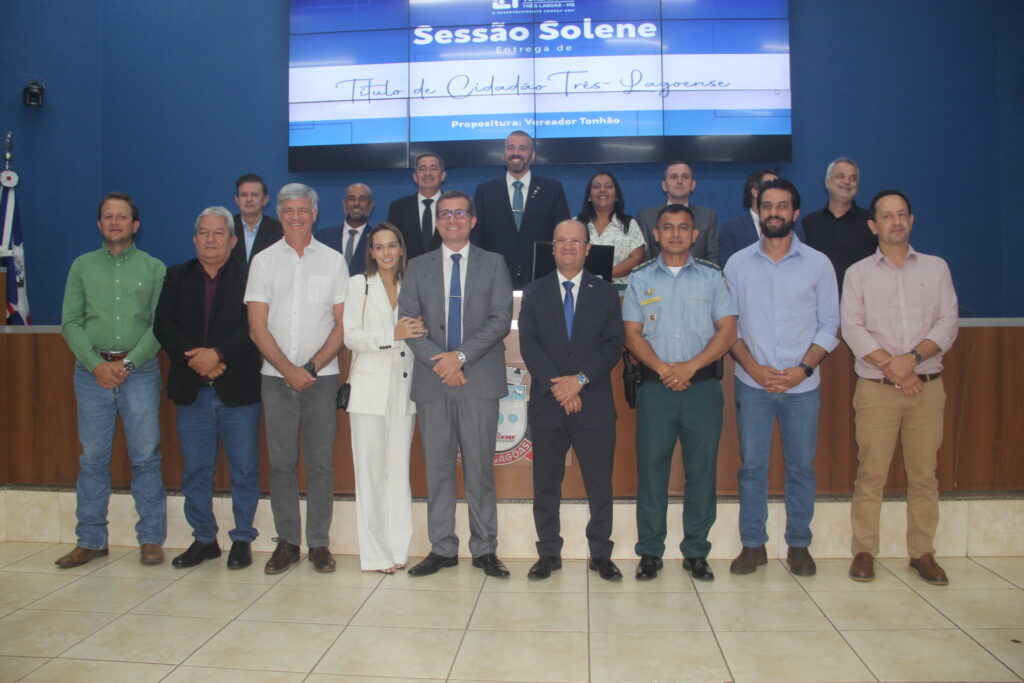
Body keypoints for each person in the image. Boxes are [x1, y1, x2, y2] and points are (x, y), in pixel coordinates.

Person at [842, 190, 958, 585]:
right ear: (873, 226)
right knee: (870, 473)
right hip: (876, 389)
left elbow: (947, 323)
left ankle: (922, 552)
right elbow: (853, 329)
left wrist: (911, 360)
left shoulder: (936, 268)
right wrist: (893, 367)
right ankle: (864, 550)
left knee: (924, 475)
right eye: (887, 216)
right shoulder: (858, 273)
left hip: (926, 388)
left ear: (912, 220)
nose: (896, 222)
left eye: (902, 215)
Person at [725, 178, 840, 578]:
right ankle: (753, 545)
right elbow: (729, 328)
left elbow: (829, 325)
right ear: (758, 211)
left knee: (800, 468)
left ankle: (799, 545)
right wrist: (755, 369)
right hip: (752, 383)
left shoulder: (818, 264)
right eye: (767, 205)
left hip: (802, 386)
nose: (774, 212)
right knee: (752, 467)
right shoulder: (737, 264)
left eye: (782, 206)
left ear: (794, 212)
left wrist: (801, 369)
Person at [398, 190, 514, 577]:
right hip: (434, 383)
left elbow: (500, 320)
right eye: (445, 213)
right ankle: (442, 547)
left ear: (473, 220)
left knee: (480, 469)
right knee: (438, 469)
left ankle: (484, 549)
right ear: (437, 221)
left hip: (478, 381)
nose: (452, 219)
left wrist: (459, 357)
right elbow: (409, 323)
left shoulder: (494, 264)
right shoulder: (417, 266)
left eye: (460, 213)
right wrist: (442, 363)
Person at [624, 205, 737, 582]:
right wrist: (662, 369)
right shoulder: (640, 278)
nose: (675, 233)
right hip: (656, 390)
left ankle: (696, 551)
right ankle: (651, 552)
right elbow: (631, 333)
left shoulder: (712, 276)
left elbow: (727, 330)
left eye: (683, 228)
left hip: (702, 388)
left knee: (702, 472)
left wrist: (690, 367)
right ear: (655, 234)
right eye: (667, 227)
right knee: (651, 472)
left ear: (694, 235)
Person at [56, 192, 167, 568]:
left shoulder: (154, 268)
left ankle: (151, 539)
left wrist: (129, 364)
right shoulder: (82, 266)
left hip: (140, 375)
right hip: (92, 376)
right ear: (99, 224)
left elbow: (159, 326)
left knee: (146, 459)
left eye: (122, 217)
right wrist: (95, 365)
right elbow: (70, 322)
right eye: (108, 217)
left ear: (135, 225)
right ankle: (90, 540)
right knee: (92, 461)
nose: (115, 222)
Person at [245, 183, 347, 574]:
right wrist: (288, 369)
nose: (296, 217)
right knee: (282, 464)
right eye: (288, 211)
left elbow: (341, 325)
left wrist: (311, 368)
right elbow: (257, 326)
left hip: (322, 380)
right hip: (275, 379)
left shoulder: (334, 261)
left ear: (315, 214)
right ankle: (287, 541)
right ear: (280, 214)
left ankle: (319, 543)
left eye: (302, 210)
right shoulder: (264, 261)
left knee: (321, 464)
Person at [154, 206, 262, 570]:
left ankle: (243, 538)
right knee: (196, 469)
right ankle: (204, 538)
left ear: (233, 240)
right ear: (194, 238)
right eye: (204, 232)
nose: (211, 239)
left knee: (244, 468)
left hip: (238, 390)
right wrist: (195, 358)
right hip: (192, 389)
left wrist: (216, 355)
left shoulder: (252, 277)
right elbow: (163, 325)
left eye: (219, 233)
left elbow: (255, 327)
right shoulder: (175, 276)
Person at [518, 219, 625, 581]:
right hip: (549, 405)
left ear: (587, 248)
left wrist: (578, 382)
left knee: (599, 483)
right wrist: (559, 388)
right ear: (552, 246)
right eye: (561, 240)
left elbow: (613, 344)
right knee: (546, 484)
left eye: (575, 241)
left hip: (592, 402)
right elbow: (529, 345)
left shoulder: (606, 292)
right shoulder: (534, 292)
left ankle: (601, 553)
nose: (567, 246)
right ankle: (549, 553)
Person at [344, 223, 426, 573]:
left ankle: (398, 550)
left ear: (401, 248)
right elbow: (351, 338)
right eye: (379, 247)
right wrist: (391, 335)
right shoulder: (357, 285)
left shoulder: (414, 285)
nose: (387, 252)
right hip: (368, 390)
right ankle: (375, 554)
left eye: (393, 245)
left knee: (397, 472)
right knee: (370, 473)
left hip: (405, 389)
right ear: (371, 252)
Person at [472, 130, 570, 288]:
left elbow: (563, 234)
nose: (515, 153)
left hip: (542, 279)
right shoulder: (485, 191)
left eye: (523, 148)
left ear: (532, 155)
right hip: (494, 280)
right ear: (504, 154)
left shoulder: (552, 189)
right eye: (510, 148)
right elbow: (476, 238)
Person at [801, 158, 877, 293]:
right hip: (819, 305)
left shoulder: (871, 222)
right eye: (840, 176)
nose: (847, 182)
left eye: (853, 178)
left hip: (862, 304)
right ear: (827, 182)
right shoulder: (810, 223)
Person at [719, 168, 807, 267]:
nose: (775, 189)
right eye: (770, 184)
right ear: (755, 192)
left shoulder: (794, 227)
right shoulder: (731, 227)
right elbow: (726, 267)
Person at [636, 161, 719, 264]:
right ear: (664, 185)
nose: (679, 181)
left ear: (693, 185)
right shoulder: (646, 217)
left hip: (699, 278)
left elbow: (713, 257)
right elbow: (644, 260)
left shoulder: (707, 217)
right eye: (674, 177)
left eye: (685, 177)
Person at [576, 171, 647, 286]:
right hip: (581, 288)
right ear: (589, 196)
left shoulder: (629, 224)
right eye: (596, 187)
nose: (602, 190)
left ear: (617, 196)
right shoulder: (575, 224)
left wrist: (606, 273)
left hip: (619, 292)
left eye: (608, 186)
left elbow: (637, 258)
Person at [387, 153, 446, 259]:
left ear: (442, 176)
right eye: (422, 169)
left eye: (433, 168)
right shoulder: (398, 208)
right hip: (409, 272)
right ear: (415, 177)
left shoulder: (454, 206)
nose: (427, 173)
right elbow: (392, 245)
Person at [314, 183, 374, 275]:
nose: (356, 203)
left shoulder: (376, 238)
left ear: (371, 205)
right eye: (351, 198)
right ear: (344, 203)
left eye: (362, 199)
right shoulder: (322, 237)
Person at [231, 173, 282, 266]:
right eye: (243, 195)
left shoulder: (279, 230)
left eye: (254, 195)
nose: (249, 199)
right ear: (237, 200)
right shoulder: (226, 227)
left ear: (265, 200)